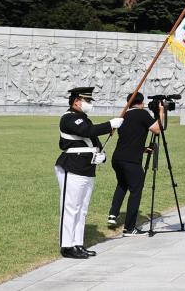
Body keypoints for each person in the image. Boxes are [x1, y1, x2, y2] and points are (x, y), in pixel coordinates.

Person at [56, 86, 122, 259]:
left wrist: (101, 156)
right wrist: (110, 124)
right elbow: (87, 132)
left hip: (87, 167)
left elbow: (93, 141)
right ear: (76, 101)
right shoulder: (69, 118)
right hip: (72, 166)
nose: (89, 103)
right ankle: (67, 246)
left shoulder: (84, 119)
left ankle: (77, 243)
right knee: (70, 207)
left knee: (82, 209)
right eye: (86, 100)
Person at [107, 92, 160, 236]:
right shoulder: (142, 114)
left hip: (118, 158)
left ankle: (113, 214)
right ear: (141, 103)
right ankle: (129, 228)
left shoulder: (124, 114)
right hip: (130, 160)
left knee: (122, 184)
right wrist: (161, 112)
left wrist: (143, 149)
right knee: (136, 190)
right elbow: (157, 130)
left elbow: (130, 138)